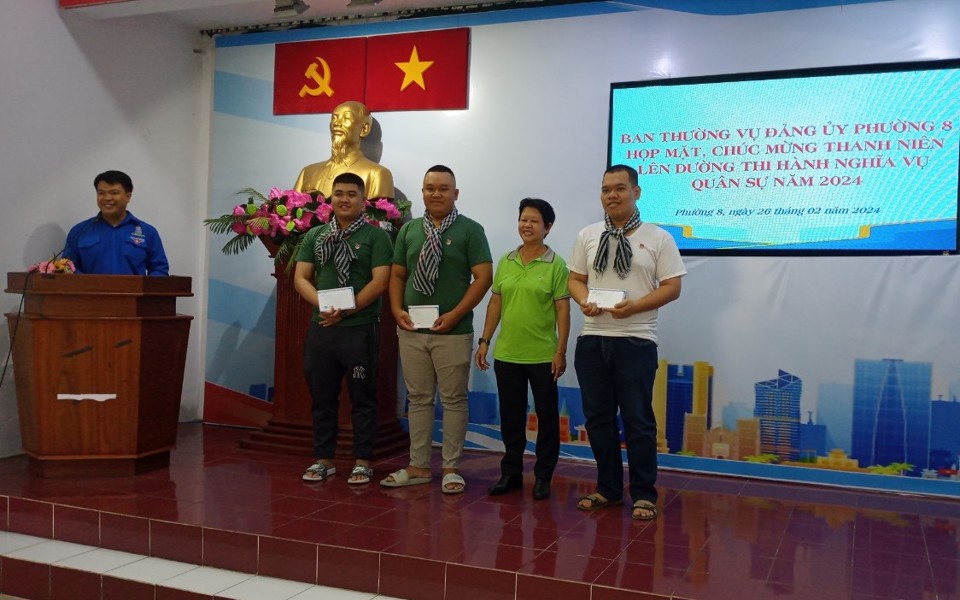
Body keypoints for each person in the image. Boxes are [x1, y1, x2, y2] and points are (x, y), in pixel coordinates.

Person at [568, 164, 686, 521]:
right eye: (606, 190)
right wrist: (583, 299)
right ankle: (607, 488)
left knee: (637, 420)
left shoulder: (658, 237)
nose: (612, 195)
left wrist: (634, 306)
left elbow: (672, 287)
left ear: (637, 192)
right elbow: (575, 279)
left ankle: (644, 494)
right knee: (598, 419)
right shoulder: (588, 235)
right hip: (593, 339)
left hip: (635, 340)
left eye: (620, 188)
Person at [380, 165, 492, 494]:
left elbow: (483, 277)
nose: (436, 193)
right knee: (418, 399)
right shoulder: (409, 231)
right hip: (413, 329)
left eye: (444, 188)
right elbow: (397, 274)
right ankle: (418, 466)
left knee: (454, 399)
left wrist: (456, 314)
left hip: (453, 331)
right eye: (430, 188)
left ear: (455, 193)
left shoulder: (471, 230)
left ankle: (452, 468)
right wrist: (396, 310)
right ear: (423, 191)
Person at [293, 172, 393, 484]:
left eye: (352, 194)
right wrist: (324, 306)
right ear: (330, 198)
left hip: (360, 328)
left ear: (364, 201)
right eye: (339, 193)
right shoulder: (316, 236)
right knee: (322, 397)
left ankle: (362, 460)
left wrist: (347, 310)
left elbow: (380, 282)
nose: (345, 199)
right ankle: (323, 459)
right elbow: (300, 278)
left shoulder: (377, 237)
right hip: (322, 327)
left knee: (363, 397)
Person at [475, 198, 570, 501]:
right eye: (523, 219)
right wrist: (485, 340)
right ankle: (511, 473)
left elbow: (563, 311)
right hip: (507, 354)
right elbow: (496, 301)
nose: (526, 226)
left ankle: (543, 476)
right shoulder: (506, 260)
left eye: (534, 221)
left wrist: (561, 351)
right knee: (511, 418)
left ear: (548, 227)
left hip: (543, 355)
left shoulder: (556, 265)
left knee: (547, 419)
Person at [63, 170, 169, 275]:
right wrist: (90, 286)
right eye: (101, 193)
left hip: (133, 291)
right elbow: (68, 267)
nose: (107, 198)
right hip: (91, 291)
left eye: (114, 193)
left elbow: (159, 269)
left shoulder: (147, 232)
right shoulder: (80, 231)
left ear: (128, 196)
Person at [294, 101, 395, 200]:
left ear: (364, 129)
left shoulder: (377, 174)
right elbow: (292, 211)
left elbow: (377, 214)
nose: (336, 123)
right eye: (334, 118)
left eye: (346, 118)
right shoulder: (308, 172)